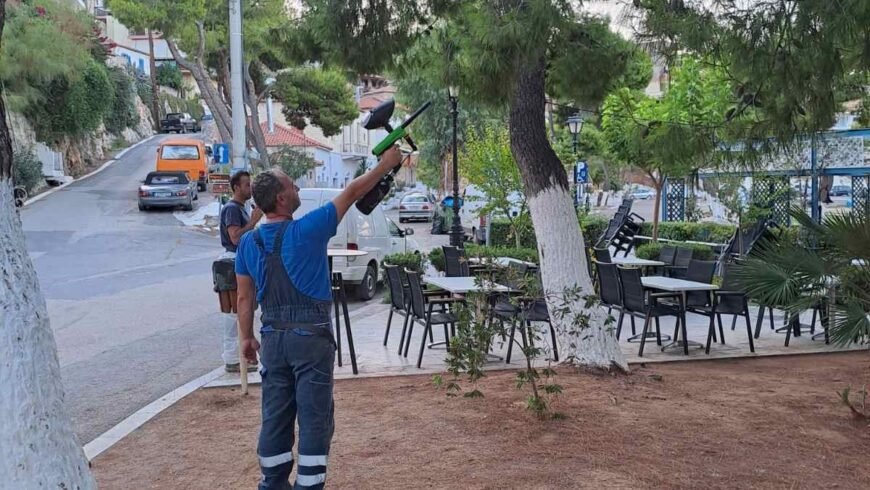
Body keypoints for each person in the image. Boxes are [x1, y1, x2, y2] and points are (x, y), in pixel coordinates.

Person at [235, 146, 403, 489]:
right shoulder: (309, 229)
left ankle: (272, 482)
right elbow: (354, 191)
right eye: (292, 186)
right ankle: (309, 485)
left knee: (275, 415)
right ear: (282, 199)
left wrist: (246, 338)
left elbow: (244, 297)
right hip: (310, 340)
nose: (298, 189)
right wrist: (386, 164)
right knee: (314, 417)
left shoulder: (248, 243)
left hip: (273, 339)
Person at [218, 170, 263, 373]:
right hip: (233, 261)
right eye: (246, 184)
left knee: (243, 310)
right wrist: (253, 222)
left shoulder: (240, 209)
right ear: (236, 187)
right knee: (236, 312)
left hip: (238, 260)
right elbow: (235, 238)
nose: (250, 188)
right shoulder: (232, 209)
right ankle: (234, 358)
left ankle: (239, 356)